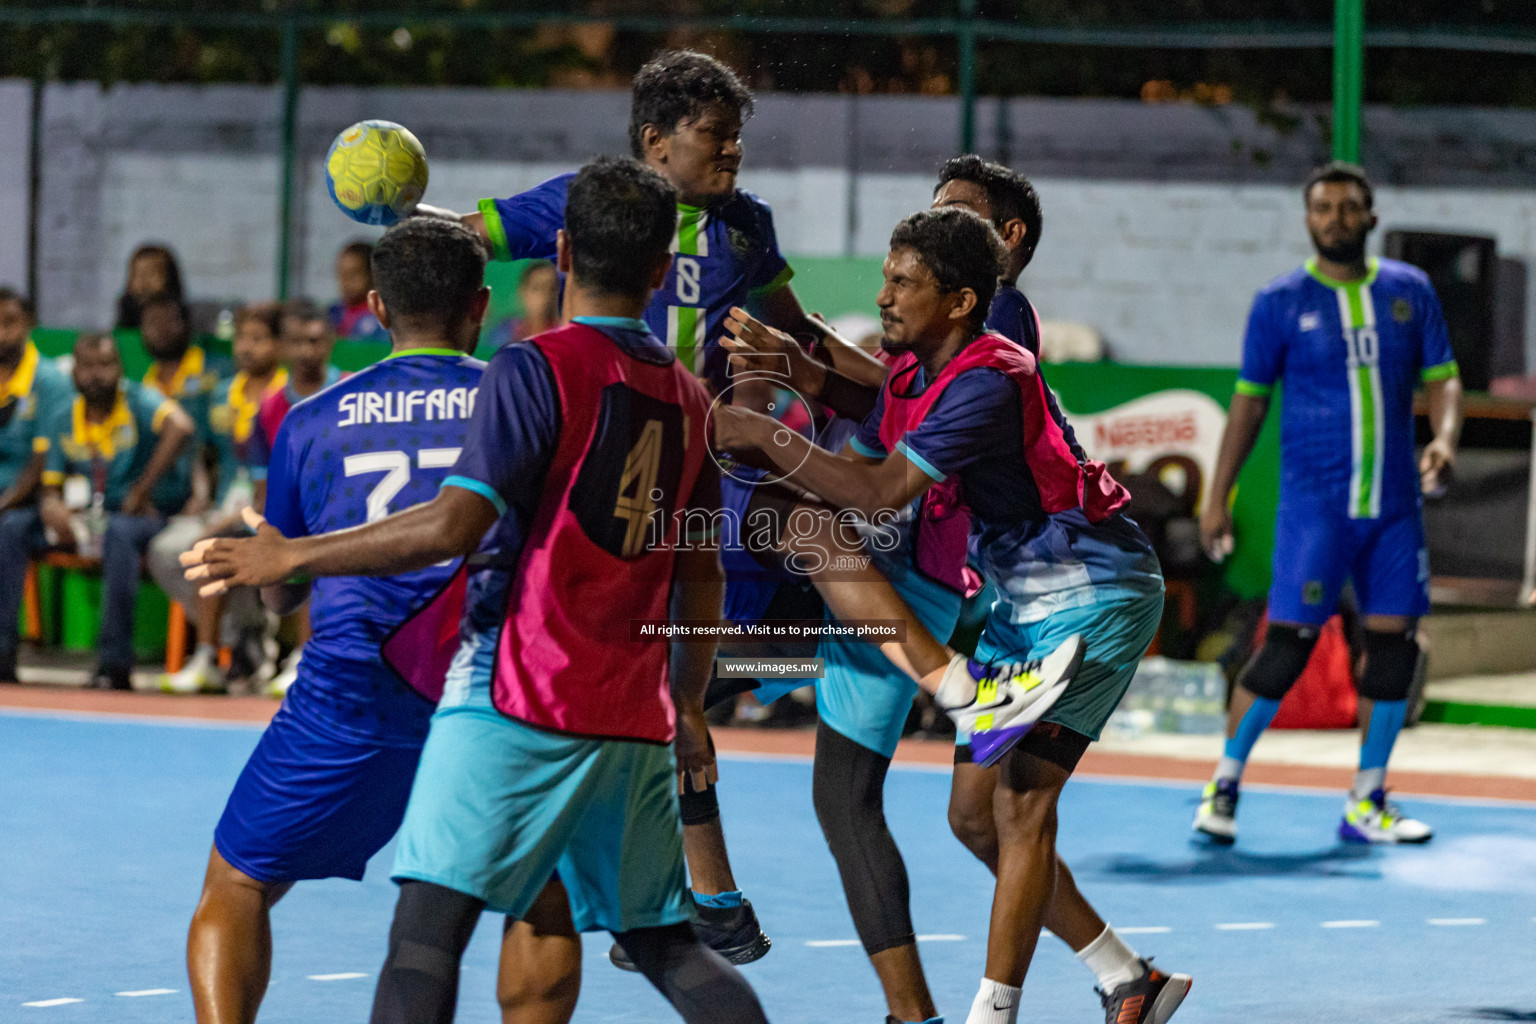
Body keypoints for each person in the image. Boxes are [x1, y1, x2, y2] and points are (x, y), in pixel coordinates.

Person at [184, 157, 770, 1024]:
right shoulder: (691, 398)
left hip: (482, 690)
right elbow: (701, 570)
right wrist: (686, 703)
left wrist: (291, 559)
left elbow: (455, 525)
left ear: (563, 251)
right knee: (615, 925)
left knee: (396, 928)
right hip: (622, 699)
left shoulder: (524, 374)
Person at [415, 48, 886, 966]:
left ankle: (685, 894)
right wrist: (401, 208)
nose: (734, 152)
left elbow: (797, 328)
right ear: (654, 142)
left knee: (691, 667)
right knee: (673, 673)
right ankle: (693, 897)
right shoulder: (591, 202)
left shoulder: (747, 228)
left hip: (699, 474)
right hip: (608, 476)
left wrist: (893, 386)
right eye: (716, 136)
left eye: (739, 136)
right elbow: (465, 233)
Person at [714, 208, 1188, 1024]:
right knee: (973, 817)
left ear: (962, 299)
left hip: (1093, 589)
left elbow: (878, 490)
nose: (884, 295)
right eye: (887, 277)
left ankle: (988, 1015)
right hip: (1020, 597)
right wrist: (805, 372)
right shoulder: (921, 370)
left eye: (903, 282)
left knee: (1021, 803)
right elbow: (874, 404)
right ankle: (1126, 975)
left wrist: (761, 432)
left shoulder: (987, 376)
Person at [176, 217, 499, 1024]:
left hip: (350, 694)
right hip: (490, 686)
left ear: (377, 308)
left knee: (238, 881)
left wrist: (279, 564)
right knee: (542, 903)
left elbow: (283, 588)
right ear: (480, 307)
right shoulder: (517, 399)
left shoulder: (310, 419)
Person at [1194, 161, 1462, 846]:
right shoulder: (1279, 302)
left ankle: (1367, 800)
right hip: (1316, 509)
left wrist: (1445, 438)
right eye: (1324, 208)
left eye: (1349, 208)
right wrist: (1217, 494)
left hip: (1395, 507)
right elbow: (1249, 404)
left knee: (1393, 646)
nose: (1337, 219)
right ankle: (1223, 784)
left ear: (1371, 218)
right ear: (1308, 219)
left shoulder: (1411, 291)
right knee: (1287, 647)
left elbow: (1444, 379)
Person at [39, 333, 195, 690]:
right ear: (74, 372)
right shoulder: (63, 416)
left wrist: (143, 488)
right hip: (87, 519)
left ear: (121, 369)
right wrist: (53, 508)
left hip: (146, 516)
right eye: (87, 366)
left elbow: (182, 426)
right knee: (12, 529)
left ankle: (114, 664)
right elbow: (50, 487)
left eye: (106, 365)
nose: (97, 375)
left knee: (120, 533)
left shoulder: (140, 400)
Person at [152, 303, 287, 693]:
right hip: (221, 505)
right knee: (166, 550)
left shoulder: (286, 395)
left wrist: (230, 519)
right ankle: (239, 637)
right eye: (242, 337)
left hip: (267, 510)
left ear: (278, 346)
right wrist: (199, 495)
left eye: (259, 339)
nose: (247, 347)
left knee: (211, 549)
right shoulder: (219, 393)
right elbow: (203, 454)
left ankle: (218, 649)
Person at [248, 300, 343, 696]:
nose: (307, 351)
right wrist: (266, 527)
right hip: (286, 514)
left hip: (343, 515)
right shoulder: (269, 408)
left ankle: (305, 656)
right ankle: (224, 658)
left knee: (308, 551)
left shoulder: (350, 391)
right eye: (298, 342)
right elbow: (261, 484)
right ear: (284, 347)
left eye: (315, 341)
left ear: (330, 342)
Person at [0, 287, 74, 684]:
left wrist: (6, 502)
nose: (0, 332)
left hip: (30, 505)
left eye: (9, 322)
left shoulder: (49, 382)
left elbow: (43, 457)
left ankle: (2, 653)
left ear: (28, 325)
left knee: (7, 531)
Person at [488, 259, 560, 347]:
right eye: (537, 288)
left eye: (552, 289)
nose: (545, 295)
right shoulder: (504, 332)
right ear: (522, 292)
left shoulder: (564, 337)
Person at [329, 240, 389, 341]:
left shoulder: (382, 316)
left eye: (353, 274)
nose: (345, 282)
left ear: (372, 274)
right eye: (341, 274)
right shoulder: (333, 313)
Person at [115, 244, 185, 330]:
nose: (144, 283)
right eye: (137, 275)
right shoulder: (125, 318)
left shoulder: (183, 321)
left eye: (151, 274)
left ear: (170, 278)